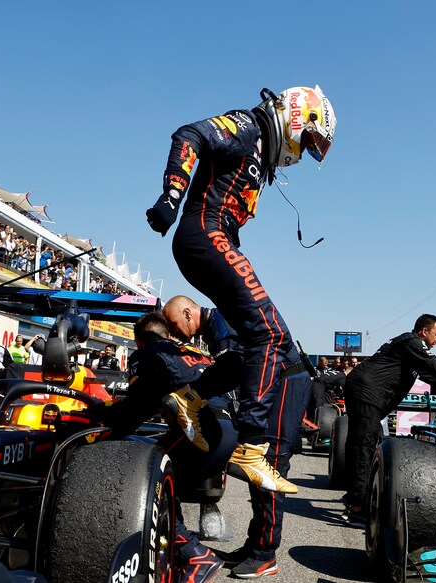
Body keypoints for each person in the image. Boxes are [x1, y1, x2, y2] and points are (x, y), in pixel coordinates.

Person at [146, 86, 336, 496]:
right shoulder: (248, 126)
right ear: (298, 116)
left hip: (215, 241)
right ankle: (252, 447)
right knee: (270, 333)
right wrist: (171, 197)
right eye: (307, 141)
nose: (303, 153)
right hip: (204, 233)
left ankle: (192, 398)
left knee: (268, 344)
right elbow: (189, 134)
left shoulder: (263, 147)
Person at [163, 295, 311, 578]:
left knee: (270, 464)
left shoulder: (221, 322)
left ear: (187, 313)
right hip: (273, 384)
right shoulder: (215, 326)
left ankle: (265, 554)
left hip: (285, 382)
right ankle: (254, 546)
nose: (172, 333)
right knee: (254, 466)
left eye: (173, 325)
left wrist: (193, 393)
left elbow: (232, 368)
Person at [93, 313, 237, 583]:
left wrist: (102, 427)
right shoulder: (193, 352)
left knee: (145, 473)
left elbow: (137, 408)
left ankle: (195, 554)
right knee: (170, 487)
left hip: (203, 431)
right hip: (227, 431)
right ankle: (183, 553)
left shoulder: (149, 352)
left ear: (139, 341)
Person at [342, 314, 436, 524]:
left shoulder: (410, 350)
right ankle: (357, 507)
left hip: (365, 392)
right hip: (367, 393)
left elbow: (435, 377)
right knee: (363, 446)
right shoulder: (413, 343)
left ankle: (358, 496)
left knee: (369, 441)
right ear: (424, 331)